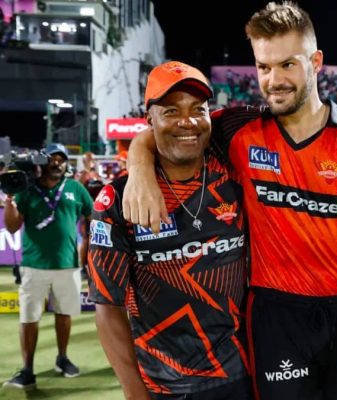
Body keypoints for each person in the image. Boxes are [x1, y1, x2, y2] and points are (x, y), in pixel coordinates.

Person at [123, 3, 337, 399]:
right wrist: (139, 164)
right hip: (275, 319)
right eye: (264, 67)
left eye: (287, 65)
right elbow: (175, 129)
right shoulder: (237, 129)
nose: (274, 80)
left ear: (316, 62)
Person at [88, 61, 251, 400]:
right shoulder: (117, 200)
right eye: (171, 111)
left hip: (239, 377)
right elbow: (107, 308)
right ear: (149, 120)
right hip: (163, 386)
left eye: (198, 109)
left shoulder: (234, 174)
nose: (187, 121)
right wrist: (135, 393)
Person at [2, 143, 93, 390]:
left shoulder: (75, 188)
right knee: (28, 317)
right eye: (52, 158)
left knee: (64, 314)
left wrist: (89, 249)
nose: (57, 163)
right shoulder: (27, 189)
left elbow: (92, 217)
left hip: (68, 264)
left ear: (66, 163)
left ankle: (62, 358)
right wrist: (9, 198)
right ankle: (27, 369)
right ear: (43, 162)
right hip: (33, 265)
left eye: (61, 159)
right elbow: (11, 227)